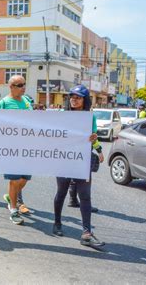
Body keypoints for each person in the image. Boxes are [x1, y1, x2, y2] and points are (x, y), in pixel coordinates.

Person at [53, 85, 105, 247]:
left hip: (82, 159)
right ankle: (57, 223)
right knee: (61, 192)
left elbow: (92, 137)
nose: (74, 100)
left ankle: (86, 233)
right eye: (72, 97)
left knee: (85, 196)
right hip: (64, 159)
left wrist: (98, 147)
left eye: (78, 97)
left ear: (85, 100)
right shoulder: (62, 115)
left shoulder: (90, 118)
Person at [0, 75, 32, 225]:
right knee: (14, 180)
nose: (23, 87)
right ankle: (13, 210)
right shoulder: (3, 103)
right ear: (11, 87)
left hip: (27, 147)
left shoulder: (27, 102)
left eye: (24, 84)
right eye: (19, 85)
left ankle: (12, 196)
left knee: (25, 179)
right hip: (10, 148)